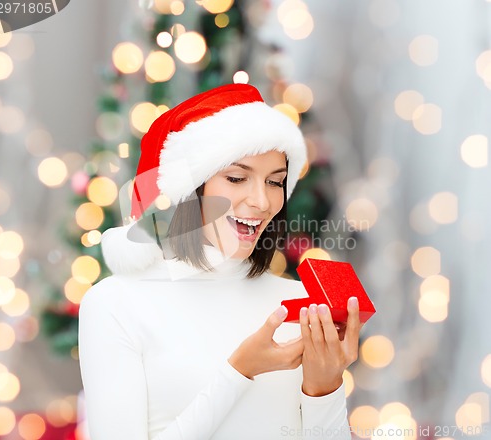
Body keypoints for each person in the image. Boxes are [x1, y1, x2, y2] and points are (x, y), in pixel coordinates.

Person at [78, 83, 361, 440]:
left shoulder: (301, 302)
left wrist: (325, 388)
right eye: (237, 178)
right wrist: (239, 371)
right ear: (190, 188)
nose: (261, 201)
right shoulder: (116, 303)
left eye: (275, 182)